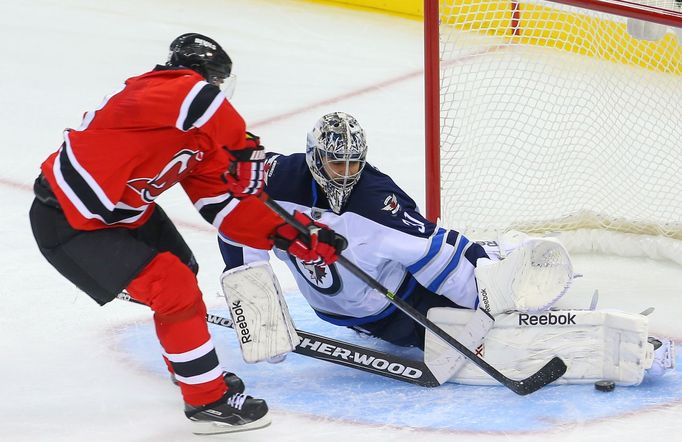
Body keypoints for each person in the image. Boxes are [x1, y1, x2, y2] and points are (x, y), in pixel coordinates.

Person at [28, 33, 345, 435]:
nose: (217, 92)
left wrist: (294, 235)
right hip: (69, 220)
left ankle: (193, 372)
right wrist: (246, 147)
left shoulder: (198, 133)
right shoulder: (151, 92)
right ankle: (208, 403)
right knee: (173, 287)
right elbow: (199, 100)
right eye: (213, 82)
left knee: (182, 269)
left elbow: (226, 209)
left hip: (125, 215)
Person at [219, 112, 674, 386]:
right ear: (315, 156)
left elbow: (435, 256)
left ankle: (502, 262)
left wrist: (488, 303)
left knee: (489, 328)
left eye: (354, 162)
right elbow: (233, 221)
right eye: (337, 161)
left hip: (402, 300)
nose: (345, 172)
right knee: (466, 328)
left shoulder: (377, 202)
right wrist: (258, 314)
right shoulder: (273, 183)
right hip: (353, 310)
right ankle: (496, 261)